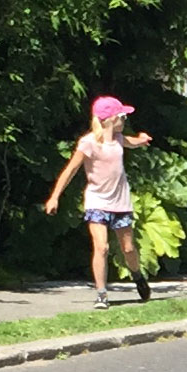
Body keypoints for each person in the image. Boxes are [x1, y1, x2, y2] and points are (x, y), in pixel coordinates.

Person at [44, 95, 153, 310]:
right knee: (101, 247)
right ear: (111, 119)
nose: (124, 120)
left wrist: (143, 138)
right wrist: (55, 196)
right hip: (97, 202)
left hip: (121, 203)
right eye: (122, 116)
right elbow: (70, 171)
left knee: (128, 249)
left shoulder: (120, 139)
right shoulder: (88, 143)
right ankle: (102, 294)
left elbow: (135, 142)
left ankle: (138, 277)